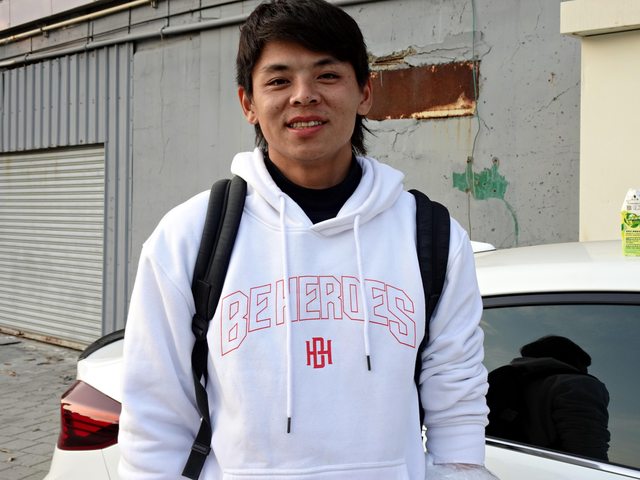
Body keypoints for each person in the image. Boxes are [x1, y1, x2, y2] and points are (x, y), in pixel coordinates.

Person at [118, 1, 496, 479]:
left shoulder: (432, 236)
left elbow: (457, 399)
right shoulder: (188, 237)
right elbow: (154, 416)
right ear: (248, 103)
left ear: (365, 92)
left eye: (327, 75)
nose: (303, 96)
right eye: (279, 80)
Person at [490, 336, 610, 460]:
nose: (586, 371)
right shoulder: (578, 384)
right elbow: (587, 450)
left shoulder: (508, 381)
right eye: (585, 365)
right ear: (574, 360)